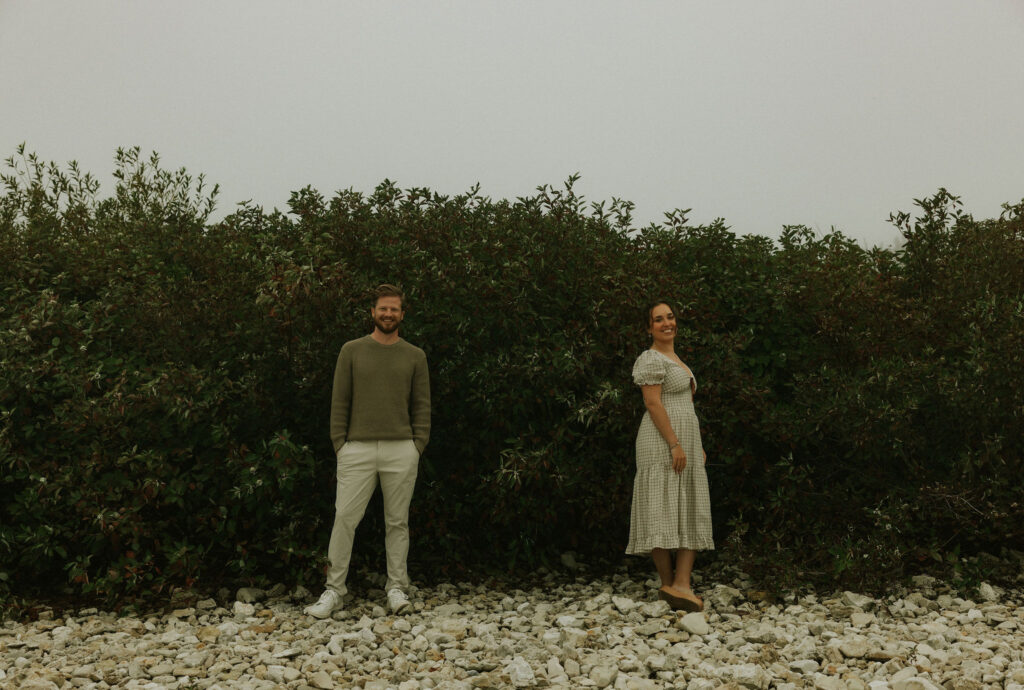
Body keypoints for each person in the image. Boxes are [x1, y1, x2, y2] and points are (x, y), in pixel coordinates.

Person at [305, 284, 431, 618]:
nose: (388, 314)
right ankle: (334, 591)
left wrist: (417, 446)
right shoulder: (351, 351)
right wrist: (340, 445)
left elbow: (422, 406)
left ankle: (396, 588)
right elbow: (339, 401)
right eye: (382, 309)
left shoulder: (415, 355)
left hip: (402, 450)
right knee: (344, 519)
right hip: (356, 449)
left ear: (403, 315)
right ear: (372, 312)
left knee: (397, 522)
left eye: (394, 309)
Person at [626, 300, 714, 612]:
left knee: (690, 503)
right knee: (660, 507)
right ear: (649, 328)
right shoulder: (650, 359)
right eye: (659, 320)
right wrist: (675, 444)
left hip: (683, 440)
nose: (667, 323)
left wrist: (694, 444)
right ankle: (672, 584)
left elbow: (685, 407)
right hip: (662, 441)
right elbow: (653, 403)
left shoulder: (674, 357)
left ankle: (679, 585)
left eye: (671, 317)